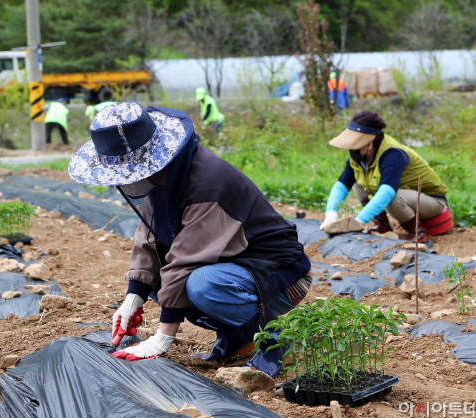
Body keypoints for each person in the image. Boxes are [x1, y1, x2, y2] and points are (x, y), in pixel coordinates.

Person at [68, 102, 312, 377]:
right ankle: (239, 337)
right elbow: (147, 237)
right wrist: (134, 296)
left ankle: (273, 341)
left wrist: (162, 339)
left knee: (200, 285)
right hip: (234, 268)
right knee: (161, 285)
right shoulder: (163, 176)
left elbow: (185, 261)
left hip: (279, 275)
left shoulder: (207, 181)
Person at [320, 111, 452, 243]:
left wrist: (359, 221)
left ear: (369, 144)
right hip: (409, 197)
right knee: (358, 183)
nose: (351, 150)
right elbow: (341, 185)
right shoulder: (360, 158)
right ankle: (382, 225)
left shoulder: (392, 154)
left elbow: (387, 192)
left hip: (432, 201)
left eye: (355, 146)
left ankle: (416, 232)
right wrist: (331, 214)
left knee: (393, 198)